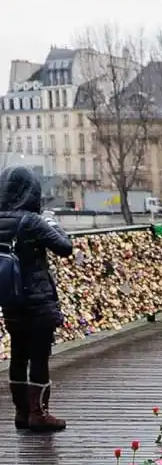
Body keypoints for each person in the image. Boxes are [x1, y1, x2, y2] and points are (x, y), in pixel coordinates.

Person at [0, 166, 72, 432]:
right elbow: (64, 248)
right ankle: (39, 414)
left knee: (18, 354)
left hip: (11, 298)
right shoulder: (31, 221)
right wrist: (53, 224)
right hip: (38, 301)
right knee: (39, 357)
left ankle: (21, 413)